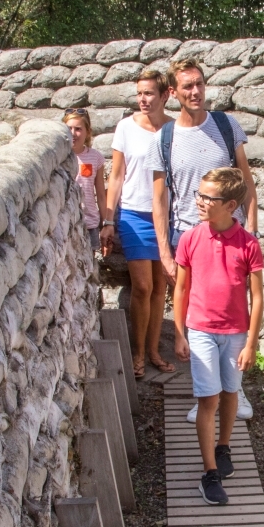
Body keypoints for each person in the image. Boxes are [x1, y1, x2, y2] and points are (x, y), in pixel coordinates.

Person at [145, 58, 259, 422]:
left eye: (199, 84)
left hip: (233, 235)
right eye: (187, 87)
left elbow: (247, 184)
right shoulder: (164, 139)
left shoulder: (226, 126)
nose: (195, 92)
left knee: (233, 308)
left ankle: (235, 391)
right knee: (196, 314)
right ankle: (205, 393)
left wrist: (252, 231)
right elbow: (160, 199)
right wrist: (164, 250)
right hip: (187, 237)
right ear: (173, 93)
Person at [171, 167, 264, 506]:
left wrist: (252, 343)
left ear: (230, 205)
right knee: (207, 399)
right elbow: (180, 289)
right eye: (199, 194)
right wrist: (179, 334)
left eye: (207, 197)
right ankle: (209, 472)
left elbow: (257, 298)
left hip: (236, 333)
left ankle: (224, 446)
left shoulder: (249, 244)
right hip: (201, 331)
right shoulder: (190, 238)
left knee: (230, 392)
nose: (199, 201)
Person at [101, 70, 174, 377]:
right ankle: (138, 352)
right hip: (133, 214)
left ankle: (155, 350)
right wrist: (108, 218)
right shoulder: (126, 128)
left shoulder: (175, 128)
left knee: (160, 287)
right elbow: (115, 176)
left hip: (168, 215)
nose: (143, 99)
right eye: (140, 93)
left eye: (149, 94)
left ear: (165, 95)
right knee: (142, 287)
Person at [65, 109, 106, 249]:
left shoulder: (95, 157)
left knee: (88, 266)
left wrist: (105, 223)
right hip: (66, 221)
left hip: (89, 222)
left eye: (78, 129)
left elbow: (101, 194)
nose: (72, 133)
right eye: (69, 128)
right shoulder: (58, 158)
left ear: (87, 132)